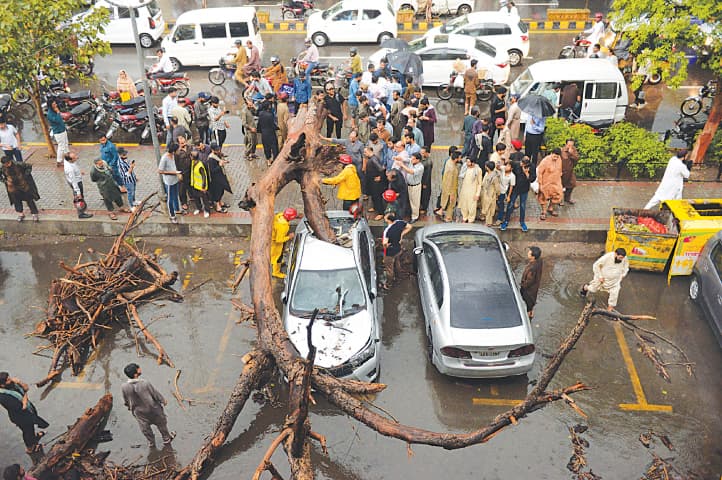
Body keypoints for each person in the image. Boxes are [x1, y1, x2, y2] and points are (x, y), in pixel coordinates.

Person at [121, 363, 175, 448]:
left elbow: (126, 399)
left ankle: (151, 443)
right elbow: (154, 394)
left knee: (145, 429)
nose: (140, 369)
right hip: (153, 409)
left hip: (139, 412)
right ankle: (166, 439)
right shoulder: (145, 383)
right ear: (135, 374)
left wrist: (128, 407)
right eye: (138, 368)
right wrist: (163, 400)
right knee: (161, 424)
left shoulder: (124, 386)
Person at [0, 372, 49, 453]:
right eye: (8, 380)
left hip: (28, 411)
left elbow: (26, 387)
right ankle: (30, 448)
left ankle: (33, 438)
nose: (11, 380)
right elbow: (23, 406)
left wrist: (19, 382)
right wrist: (25, 394)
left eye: (10, 377)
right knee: (27, 431)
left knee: (31, 427)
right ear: (2, 385)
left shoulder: (12, 384)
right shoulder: (3, 397)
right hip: (20, 417)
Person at [1, 155, 39, 222]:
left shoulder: (18, 164)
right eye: (5, 164)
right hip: (12, 187)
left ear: (10, 161)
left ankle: (34, 213)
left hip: (23, 184)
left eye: (8, 163)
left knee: (29, 199)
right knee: (16, 200)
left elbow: (29, 166)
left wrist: (25, 176)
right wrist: (5, 181)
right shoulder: (3, 168)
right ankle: (21, 214)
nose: (7, 165)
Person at [381, 212, 412, 290]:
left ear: (389, 220)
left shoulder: (387, 231)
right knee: (397, 262)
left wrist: (385, 246)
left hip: (390, 252)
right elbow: (409, 226)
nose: (384, 218)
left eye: (386, 217)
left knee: (389, 269)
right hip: (398, 248)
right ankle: (399, 275)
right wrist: (401, 234)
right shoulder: (400, 222)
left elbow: (385, 243)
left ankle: (389, 284)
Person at [503, 155, 534, 231]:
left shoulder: (532, 167)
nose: (521, 164)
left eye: (523, 164)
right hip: (515, 189)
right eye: (521, 163)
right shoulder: (516, 164)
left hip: (524, 189)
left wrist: (526, 173)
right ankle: (506, 220)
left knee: (522, 206)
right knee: (510, 205)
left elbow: (532, 179)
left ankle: (522, 222)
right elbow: (509, 163)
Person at [395, 151, 424, 223]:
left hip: (415, 186)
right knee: (409, 200)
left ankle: (415, 216)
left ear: (418, 160)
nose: (412, 160)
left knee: (415, 202)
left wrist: (402, 165)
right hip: (408, 185)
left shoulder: (420, 167)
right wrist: (399, 158)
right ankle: (410, 213)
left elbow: (411, 171)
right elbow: (407, 159)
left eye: (413, 159)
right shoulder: (412, 161)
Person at [64, 151, 93, 219]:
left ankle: (83, 205)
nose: (77, 157)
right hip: (76, 182)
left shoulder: (68, 161)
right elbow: (74, 182)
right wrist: (78, 192)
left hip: (74, 179)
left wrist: (79, 172)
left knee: (78, 196)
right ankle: (81, 213)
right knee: (78, 197)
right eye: (74, 158)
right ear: (70, 160)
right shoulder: (70, 169)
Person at [537, 148, 563, 220]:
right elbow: (540, 173)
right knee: (543, 197)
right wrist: (540, 184)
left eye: (557, 157)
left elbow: (560, 169)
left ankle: (550, 208)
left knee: (557, 195)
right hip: (546, 182)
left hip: (556, 182)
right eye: (555, 156)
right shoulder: (545, 161)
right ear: (551, 153)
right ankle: (544, 212)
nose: (556, 158)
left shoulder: (559, 159)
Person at [435, 149, 461, 222]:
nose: (460, 159)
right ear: (456, 159)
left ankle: (444, 213)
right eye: (459, 158)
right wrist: (451, 194)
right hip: (451, 190)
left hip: (446, 188)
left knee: (447, 203)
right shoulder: (451, 168)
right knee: (451, 204)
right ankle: (448, 218)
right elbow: (450, 182)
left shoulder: (449, 162)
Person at [158, 143, 182, 224]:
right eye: (178, 149)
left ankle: (177, 209)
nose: (179, 150)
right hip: (169, 182)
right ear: (174, 151)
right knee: (170, 199)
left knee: (176, 195)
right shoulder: (164, 158)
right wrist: (174, 172)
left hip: (175, 179)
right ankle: (172, 215)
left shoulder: (173, 156)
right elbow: (160, 171)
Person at [271, 208, 298, 278]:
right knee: (277, 258)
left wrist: (297, 216)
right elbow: (279, 240)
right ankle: (276, 272)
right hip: (276, 244)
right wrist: (289, 237)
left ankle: (278, 264)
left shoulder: (279, 216)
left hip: (272, 238)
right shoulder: (283, 227)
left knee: (276, 256)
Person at [207, 143, 233, 213]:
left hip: (220, 176)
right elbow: (212, 170)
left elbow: (219, 161)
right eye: (216, 150)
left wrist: (224, 161)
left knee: (221, 190)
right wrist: (220, 165)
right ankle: (218, 206)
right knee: (217, 192)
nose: (218, 151)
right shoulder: (211, 159)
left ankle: (221, 203)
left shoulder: (217, 155)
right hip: (215, 179)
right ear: (212, 150)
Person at [457, 156, 483, 223]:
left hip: (473, 191)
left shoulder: (478, 170)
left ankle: (471, 219)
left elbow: (480, 183)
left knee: (472, 207)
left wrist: (477, 194)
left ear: (473, 163)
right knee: (464, 205)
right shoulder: (465, 168)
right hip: (464, 190)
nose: (467, 163)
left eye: (468, 162)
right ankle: (464, 217)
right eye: (467, 161)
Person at [364, 146, 387, 220]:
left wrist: (380, 177)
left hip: (375, 182)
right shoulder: (371, 159)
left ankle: (381, 213)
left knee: (377, 197)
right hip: (371, 180)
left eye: (365, 152)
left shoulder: (374, 159)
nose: (364, 154)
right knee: (373, 196)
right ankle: (375, 207)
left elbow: (381, 169)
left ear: (369, 151)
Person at [520, 246, 543, 318]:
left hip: (528, 292)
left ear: (533, 257)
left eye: (529, 253)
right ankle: (531, 313)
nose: (527, 254)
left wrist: (522, 285)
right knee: (531, 305)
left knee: (527, 306)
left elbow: (528, 282)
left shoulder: (532, 269)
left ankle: (528, 318)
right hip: (534, 290)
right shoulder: (539, 261)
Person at [46, 98, 68, 167]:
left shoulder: (54, 110)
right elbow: (58, 120)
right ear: (50, 105)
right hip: (58, 132)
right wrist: (58, 112)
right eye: (54, 104)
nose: (55, 105)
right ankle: (59, 161)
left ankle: (68, 156)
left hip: (62, 129)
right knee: (61, 146)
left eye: (55, 103)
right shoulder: (50, 114)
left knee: (66, 144)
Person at [189, 149, 211, 218]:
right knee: (196, 198)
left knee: (204, 199)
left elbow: (204, 176)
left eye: (191, 156)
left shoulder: (200, 165)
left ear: (192, 157)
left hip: (201, 186)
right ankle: (199, 208)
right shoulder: (193, 162)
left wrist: (203, 187)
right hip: (194, 185)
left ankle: (207, 210)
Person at [479, 160, 500, 226]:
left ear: (487, 167)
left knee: (489, 209)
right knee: (486, 208)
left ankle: (488, 222)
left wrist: (497, 195)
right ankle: (487, 221)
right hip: (485, 194)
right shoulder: (487, 174)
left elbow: (497, 188)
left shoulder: (494, 177)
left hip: (491, 195)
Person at [560, 138, 579, 205]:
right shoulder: (562, 151)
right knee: (561, 186)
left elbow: (577, 159)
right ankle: (560, 199)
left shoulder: (574, 150)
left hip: (570, 171)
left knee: (572, 184)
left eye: (572, 145)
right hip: (562, 172)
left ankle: (567, 198)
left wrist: (571, 154)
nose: (570, 146)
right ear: (566, 144)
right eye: (569, 145)